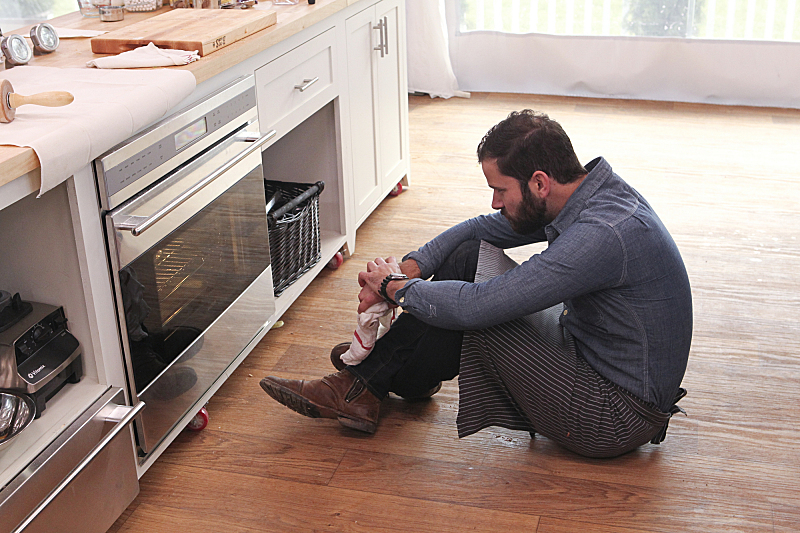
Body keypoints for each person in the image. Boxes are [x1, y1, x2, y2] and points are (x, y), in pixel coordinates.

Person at [260, 110, 692, 458]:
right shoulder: (587, 192)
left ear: (539, 182)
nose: (495, 201)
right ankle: (384, 381)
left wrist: (394, 288)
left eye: (501, 189)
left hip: (614, 416)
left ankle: (373, 381)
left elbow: (476, 307)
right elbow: (481, 229)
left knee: (479, 313)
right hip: (591, 359)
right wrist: (414, 266)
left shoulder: (602, 234)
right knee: (469, 259)